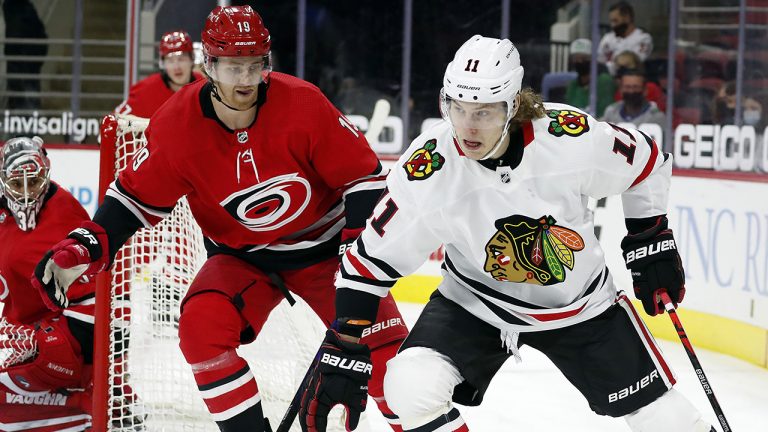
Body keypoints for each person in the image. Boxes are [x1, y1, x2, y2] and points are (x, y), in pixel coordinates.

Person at [300, 35, 716, 432]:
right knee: (409, 385)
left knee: (667, 421)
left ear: (514, 105)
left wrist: (649, 235)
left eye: (483, 112)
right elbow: (369, 260)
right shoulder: (430, 168)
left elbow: (648, 162)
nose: (467, 126)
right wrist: (346, 341)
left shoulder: (569, 139)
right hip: (475, 304)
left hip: (580, 307)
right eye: (457, 108)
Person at [32, 5, 408, 432]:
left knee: (396, 370)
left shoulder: (304, 102)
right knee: (201, 328)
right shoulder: (177, 123)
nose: (246, 80)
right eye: (233, 66)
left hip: (327, 254)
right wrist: (86, 244)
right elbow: (133, 198)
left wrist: (354, 263)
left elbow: (364, 180)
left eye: (255, 65)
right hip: (242, 260)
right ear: (207, 65)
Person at [0, 136, 94, 432]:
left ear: (47, 171)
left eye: (34, 181)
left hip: (61, 344)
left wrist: (40, 339)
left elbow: (98, 305)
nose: (27, 194)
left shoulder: (68, 216)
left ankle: (88, 407)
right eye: (17, 184)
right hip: (23, 333)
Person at [115, 30, 204, 117]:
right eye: (170, 61)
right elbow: (116, 121)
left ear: (191, 59)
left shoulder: (204, 87)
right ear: (163, 64)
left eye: (181, 59)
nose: (176, 67)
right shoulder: (145, 91)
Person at [3, 0, 48, 110]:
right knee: (26, 106)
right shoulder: (21, 9)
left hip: (23, 66)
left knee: (23, 106)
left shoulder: (16, 9)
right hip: (25, 67)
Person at [597, 2, 653, 75]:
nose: (612, 25)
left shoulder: (643, 38)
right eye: (611, 21)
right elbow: (599, 62)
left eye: (615, 21)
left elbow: (631, 63)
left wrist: (610, 65)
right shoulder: (607, 38)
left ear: (627, 18)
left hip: (631, 78)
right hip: (609, 78)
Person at [564, 38, 616, 117]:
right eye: (575, 58)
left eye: (584, 58)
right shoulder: (573, 85)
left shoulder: (604, 81)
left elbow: (605, 114)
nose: (579, 62)